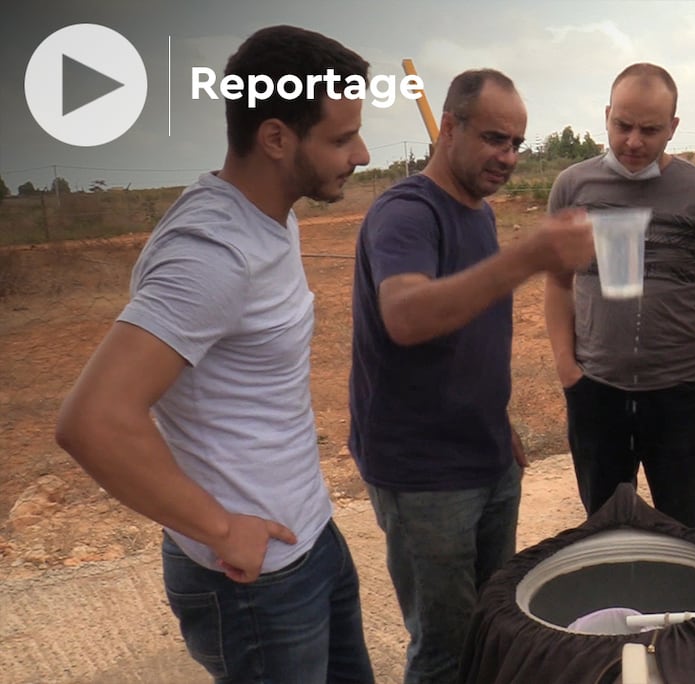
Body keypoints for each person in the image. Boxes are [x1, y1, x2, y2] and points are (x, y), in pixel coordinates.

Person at [54, 25, 375, 683]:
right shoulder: (210, 253)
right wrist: (222, 528)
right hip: (254, 583)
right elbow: (93, 421)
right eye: (341, 139)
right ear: (277, 138)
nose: (363, 154)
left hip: (308, 539)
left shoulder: (270, 214)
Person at [347, 69, 594, 684]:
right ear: (448, 128)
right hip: (425, 475)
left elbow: (468, 338)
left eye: (515, 144)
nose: (506, 157)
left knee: (493, 626)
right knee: (445, 649)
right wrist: (529, 257)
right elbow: (406, 316)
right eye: (492, 139)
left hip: (486, 457)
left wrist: (497, 421)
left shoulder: (478, 215)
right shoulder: (404, 213)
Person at [544, 63, 695, 530]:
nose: (634, 142)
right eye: (623, 126)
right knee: (604, 529)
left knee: (683, 533)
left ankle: (682, 606)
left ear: (673, 128)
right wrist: (567, 369)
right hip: (597, 394)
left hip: (678, 396)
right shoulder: (573, 188)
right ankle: (615, 607)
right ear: (606, 116)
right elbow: (557, 284)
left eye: (650, 130)